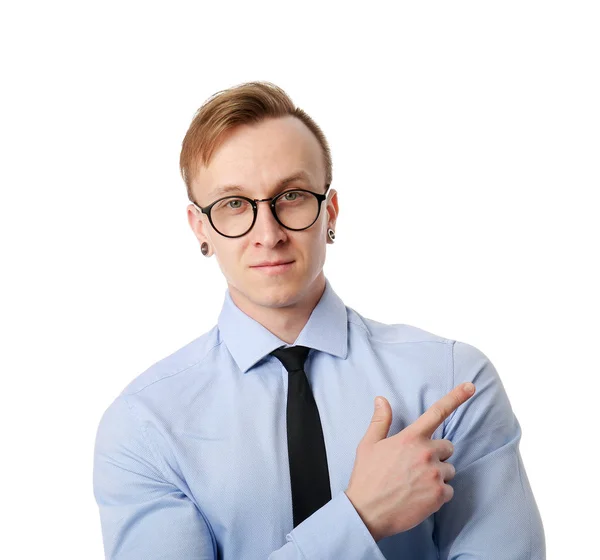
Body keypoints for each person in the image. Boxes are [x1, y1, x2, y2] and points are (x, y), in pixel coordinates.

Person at [92, 81, 546, 559]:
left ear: (329, 210)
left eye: (290, 196)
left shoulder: (452, 381)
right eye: (233, 204)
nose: (267, 234)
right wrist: (361, 517)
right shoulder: (145, 425)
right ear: (200, 227)